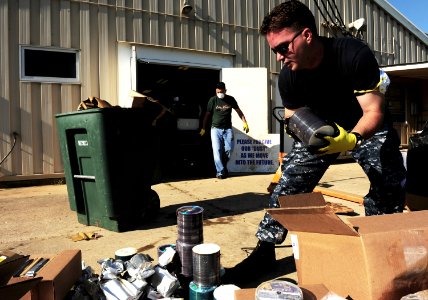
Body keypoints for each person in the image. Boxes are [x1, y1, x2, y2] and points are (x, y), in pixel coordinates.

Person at [225, 0, 406, 283]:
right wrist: (306, 132)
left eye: (283, 47)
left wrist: (352, 139)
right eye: (274, 51)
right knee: (289, 185)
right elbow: (292, 114)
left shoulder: (353, 54)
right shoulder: (289, 77)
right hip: (321, 130)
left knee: (388, 182)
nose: (279, 57)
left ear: (307, 35)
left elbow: (374, 111)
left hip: (363, 126)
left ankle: (376, 245)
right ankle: (265, 250)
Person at [200, 82, 249, 179]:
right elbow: (207, 114)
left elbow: (239, 111)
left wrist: (245, 122)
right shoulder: (213, 100)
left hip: (227, 129)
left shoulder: (230, 99)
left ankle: (223, 165)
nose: (219, 93)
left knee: (229, 149)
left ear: (225, 90)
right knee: (217, 150)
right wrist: (203, 128)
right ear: (216, 91)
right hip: (215, 129)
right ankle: (220, 172)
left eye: (221, 91)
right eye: (218, 92)